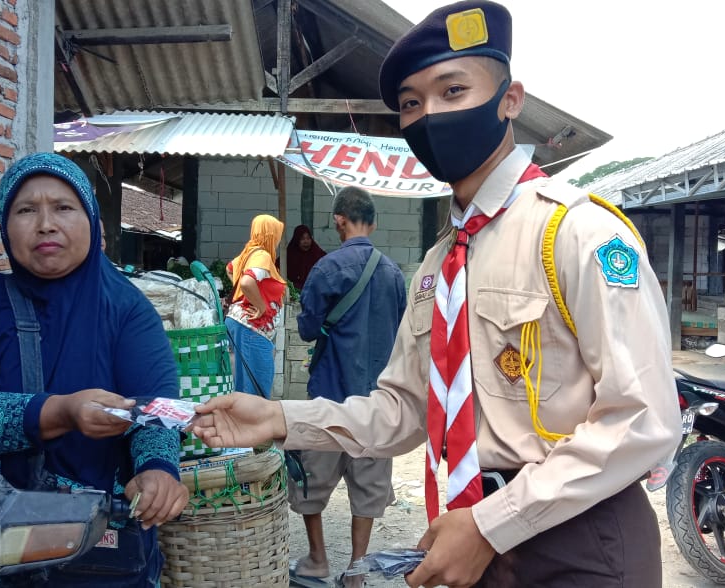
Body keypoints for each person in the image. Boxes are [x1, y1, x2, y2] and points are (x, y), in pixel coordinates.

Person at [192, 2, 680, 587]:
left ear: (510, 99)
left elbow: (643, 417)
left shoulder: (577, 232)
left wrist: (494, 523)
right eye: (411, 104)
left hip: (579, 542)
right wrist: (277, 418)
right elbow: (402, 411)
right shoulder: (437, 266)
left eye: (453, 90)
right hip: (472, 538)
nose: (430, 115)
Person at [0, 152, 189, 587]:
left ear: (93, 221)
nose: (45, 223)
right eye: (26, 210)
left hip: (100, 551)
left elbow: (153, 408)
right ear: (6, 227)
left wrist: (157, 469)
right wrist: (58, 412)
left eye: (63, 207)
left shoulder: (127, 310)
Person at [289, 187, 406, 587]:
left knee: (311, 480)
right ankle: (356, 572)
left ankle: (318, 560)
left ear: (339, 219)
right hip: (378, 399)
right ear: (372, 223)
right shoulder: (393, 273)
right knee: (369, 486)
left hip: (330, 396)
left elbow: (306, 330)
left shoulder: (326, 268)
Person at [224, 214, 287, 398]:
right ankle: (251, 426)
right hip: (252, 328)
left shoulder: (249, 252)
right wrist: (260, 305)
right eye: (276, 235)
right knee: (255, 390)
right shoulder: (262, 255)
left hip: (241, 324)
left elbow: (230, 269)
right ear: (269, 235)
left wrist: (247, 297)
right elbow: (246, 282)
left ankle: (242, 425)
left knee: (245, 386)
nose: (277, 240)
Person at [286, 224, 327, 290]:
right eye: (302, 239)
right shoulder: (290, 255)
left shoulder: (317, 254)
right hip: (294, 293)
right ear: (297, 240)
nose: (306, 242)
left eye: (308, 238)